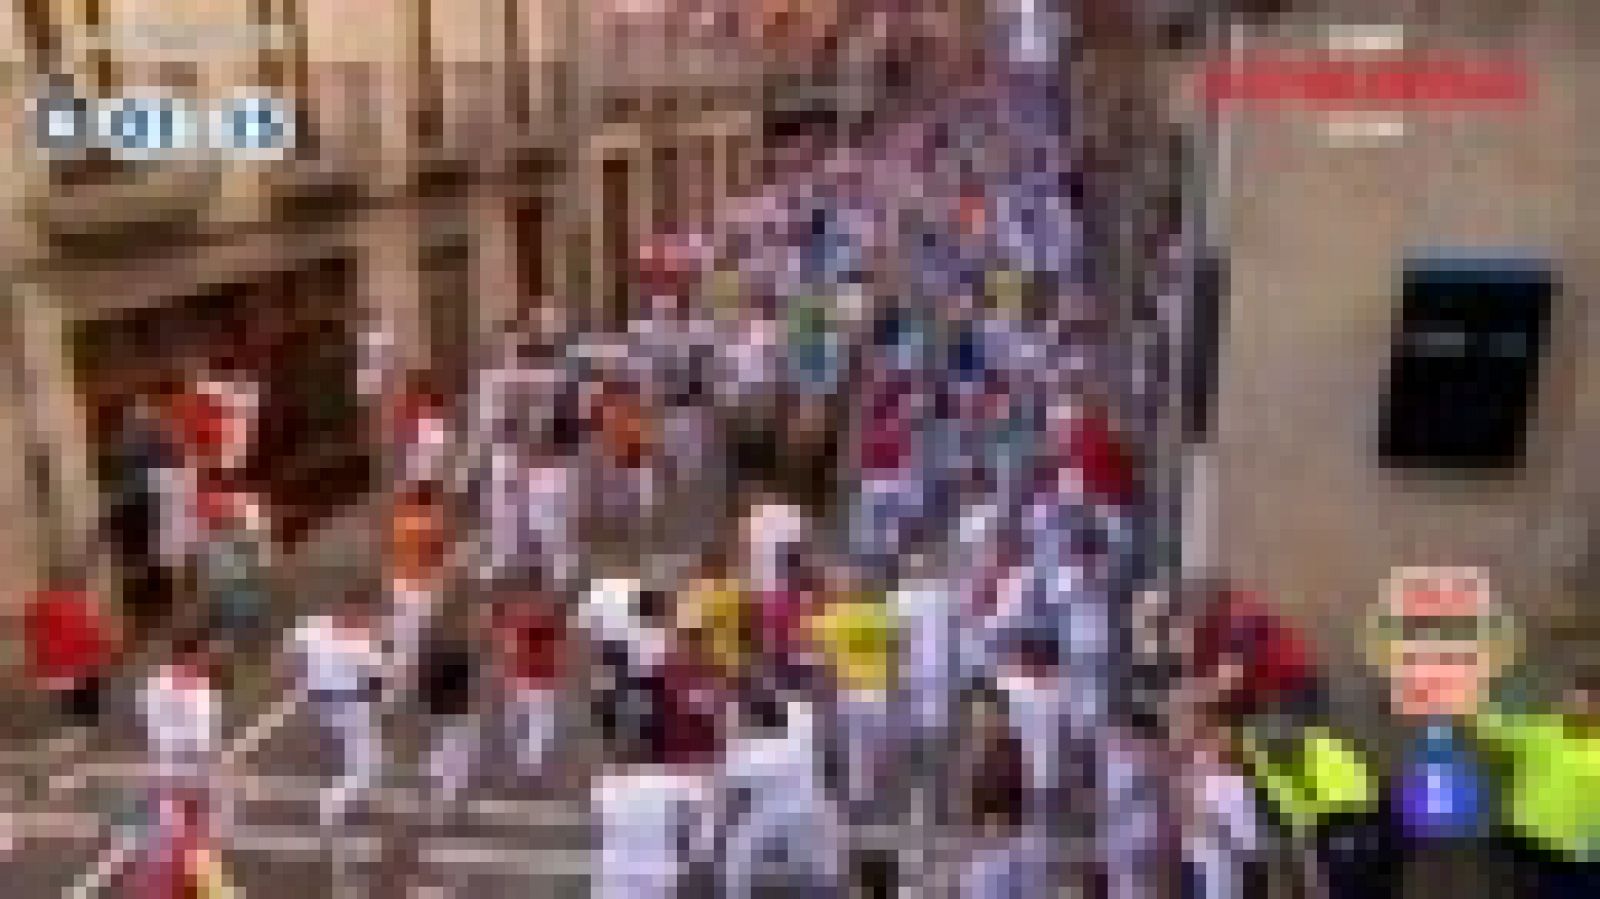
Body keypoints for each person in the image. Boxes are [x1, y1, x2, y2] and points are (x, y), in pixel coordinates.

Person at [1475, 669, 1600, 899]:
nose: (1582, 705)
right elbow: (1485, 726)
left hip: (1583, 855)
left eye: (1591, 700)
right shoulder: (1539, 731)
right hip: (1525, 846)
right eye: (1577, 698)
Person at [719, 691, 848, 899]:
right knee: (818, 879)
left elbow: (731, 796)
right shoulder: (803, 740)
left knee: (738, 868)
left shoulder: (748, 753)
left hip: (765, 832)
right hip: (808, 824)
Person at [284, 587, 387, 829]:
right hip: (342, 704)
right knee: (368, 767)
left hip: (331, 704)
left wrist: (298, 683)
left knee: (364, 763)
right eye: (365, 614)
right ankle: (331, 804)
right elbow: (376, 683)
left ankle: (341, 804)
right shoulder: (356, 639)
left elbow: (290, 656)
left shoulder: (317, 629)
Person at [808, 574, 898, 819]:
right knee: (876, 749)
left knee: (854, 750)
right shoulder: (881, 616)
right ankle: (875, 799)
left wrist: (823, 693)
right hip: (879, 690)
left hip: (848, 691)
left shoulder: (829, 620)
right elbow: (896, 650)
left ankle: (859, 803)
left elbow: (821, 662)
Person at [138, 633, 227, 834]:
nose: (206, 662)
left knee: (201, 821)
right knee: (168, 823)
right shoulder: (160, 684)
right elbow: (152, 723)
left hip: (196, 765)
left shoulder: (205, 690)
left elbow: (208, 732)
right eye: (202, 657)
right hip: (169, 763)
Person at [489, 578, 570, 782]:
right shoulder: (530, 617)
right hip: (530, 685)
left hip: (539, 685)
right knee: (530, 733)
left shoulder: (532, 618)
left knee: (533, 734)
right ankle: (529, 774)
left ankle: (531, 774)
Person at [24, 566, 115, 734]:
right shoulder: (77, 604)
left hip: (69, 670)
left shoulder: (47, 605)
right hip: (78, 670)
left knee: (76, 714)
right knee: (82, 714)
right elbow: (89, 635)